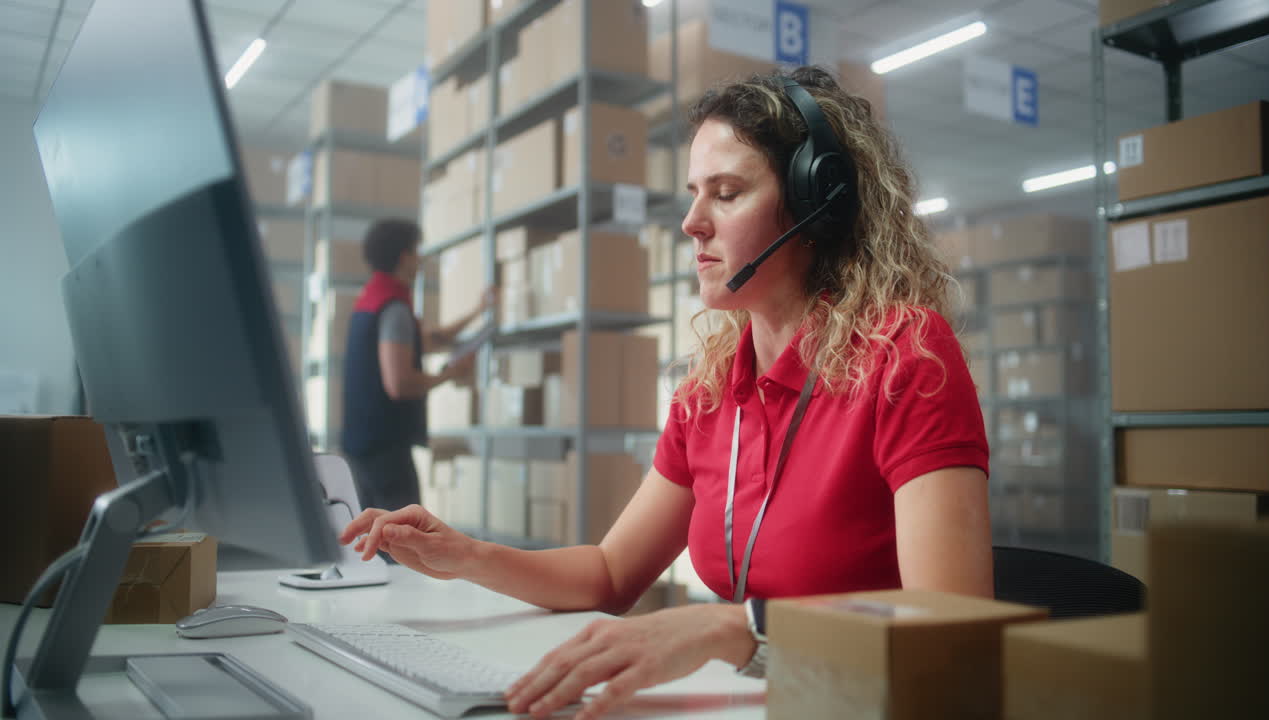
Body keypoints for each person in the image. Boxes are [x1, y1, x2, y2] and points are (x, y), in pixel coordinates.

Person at [340, 66, 991, 720]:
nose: (691, 223)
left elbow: (952, 627)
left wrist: (737, 627)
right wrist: (467, 556)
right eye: (692, 194)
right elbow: (610, 573)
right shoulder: (710, 389)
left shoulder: (905, 356)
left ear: (817, 203)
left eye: (727, 193)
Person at [340, 218, 493, 514]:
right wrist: (448, 375)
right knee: (403, 539)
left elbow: (433, 339)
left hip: (363, 446)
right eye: (416, 251)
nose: (420, 259)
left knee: (375, 542)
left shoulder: (373, 299)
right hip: (385, 450)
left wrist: (479, 311)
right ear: (403, 256)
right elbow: (399, 384)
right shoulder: (395, 309)